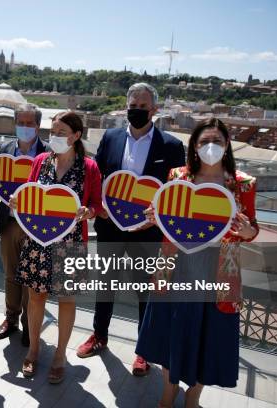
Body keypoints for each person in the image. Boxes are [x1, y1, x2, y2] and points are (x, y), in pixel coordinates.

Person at [137, 117, 258, 408]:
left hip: (218, 270)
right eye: (204, 141)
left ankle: (192, 398)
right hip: (176, 266)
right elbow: (164, 218)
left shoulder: (243, 184)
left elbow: (252, 228)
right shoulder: (177, 176)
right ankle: (168, 394)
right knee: (169, 331)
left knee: (209, 335)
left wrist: (246, 232)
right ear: (194, 145)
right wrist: (155, 217)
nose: (210, 147)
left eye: (217, 140)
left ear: (227, 144)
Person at [76, 83, 185, 376]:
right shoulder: (110, 137)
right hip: (110, 226)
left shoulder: (172, 147)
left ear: (155, 110)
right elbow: (97, 177)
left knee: (142, 291)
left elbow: (177, 193)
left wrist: (159, 217)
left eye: (143, 106)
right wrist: (96, 208)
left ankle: (143, 350)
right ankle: (99, 335)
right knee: (106, 284)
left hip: (148, 231)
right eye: (132, 106)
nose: (137, 111)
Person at [11, 111, 102, 384]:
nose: (55, 137)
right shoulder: (40, 161)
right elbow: (29, 194)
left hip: (71, 243)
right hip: (38, 241)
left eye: (61, 133)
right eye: (53, 131)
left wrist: (89, 211)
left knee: (66, 300)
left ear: (76, 136)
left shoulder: (89, 167)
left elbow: (98, 205)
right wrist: (18, 199)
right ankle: (34, 349)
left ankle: (60, 355)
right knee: (36, 296)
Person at [0, 103, 49, 347]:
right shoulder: (5, 148)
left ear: (38, 125)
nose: (24, 127)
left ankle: (29, 325)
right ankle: (11, 319)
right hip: (9, 222)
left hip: (36, 227)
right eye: (20, 123)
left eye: (29, 123)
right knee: (11, 274)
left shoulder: (48, 153)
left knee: (31, 278)